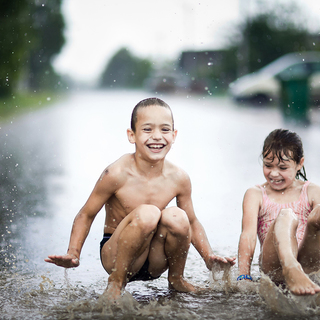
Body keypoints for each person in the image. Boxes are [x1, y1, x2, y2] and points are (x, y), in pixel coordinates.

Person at [45, 97, 235, 299]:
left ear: (174, 134)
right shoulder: (116, 173)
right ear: (131, 135)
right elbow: (86, 214)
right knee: (149, 212)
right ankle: (116, 282)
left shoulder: (179, 178)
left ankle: (176, 279)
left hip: (155, 259)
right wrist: (73, 253)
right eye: (147, 129)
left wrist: (209, 257)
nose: (156, 137)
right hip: (116, 255)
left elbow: (192, 221)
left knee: (178, 216)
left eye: (164, 129)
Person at [238, 128, 320, 295]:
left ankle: (297, 270)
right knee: (286, 214)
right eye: (268, 165)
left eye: (283, 167)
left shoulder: (311, 191)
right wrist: (243, 275)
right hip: (275, 267)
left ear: (299, 164)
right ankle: (291, 266)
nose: (274, 173)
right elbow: (248, 235)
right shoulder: (256, 194)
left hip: (307, 263)